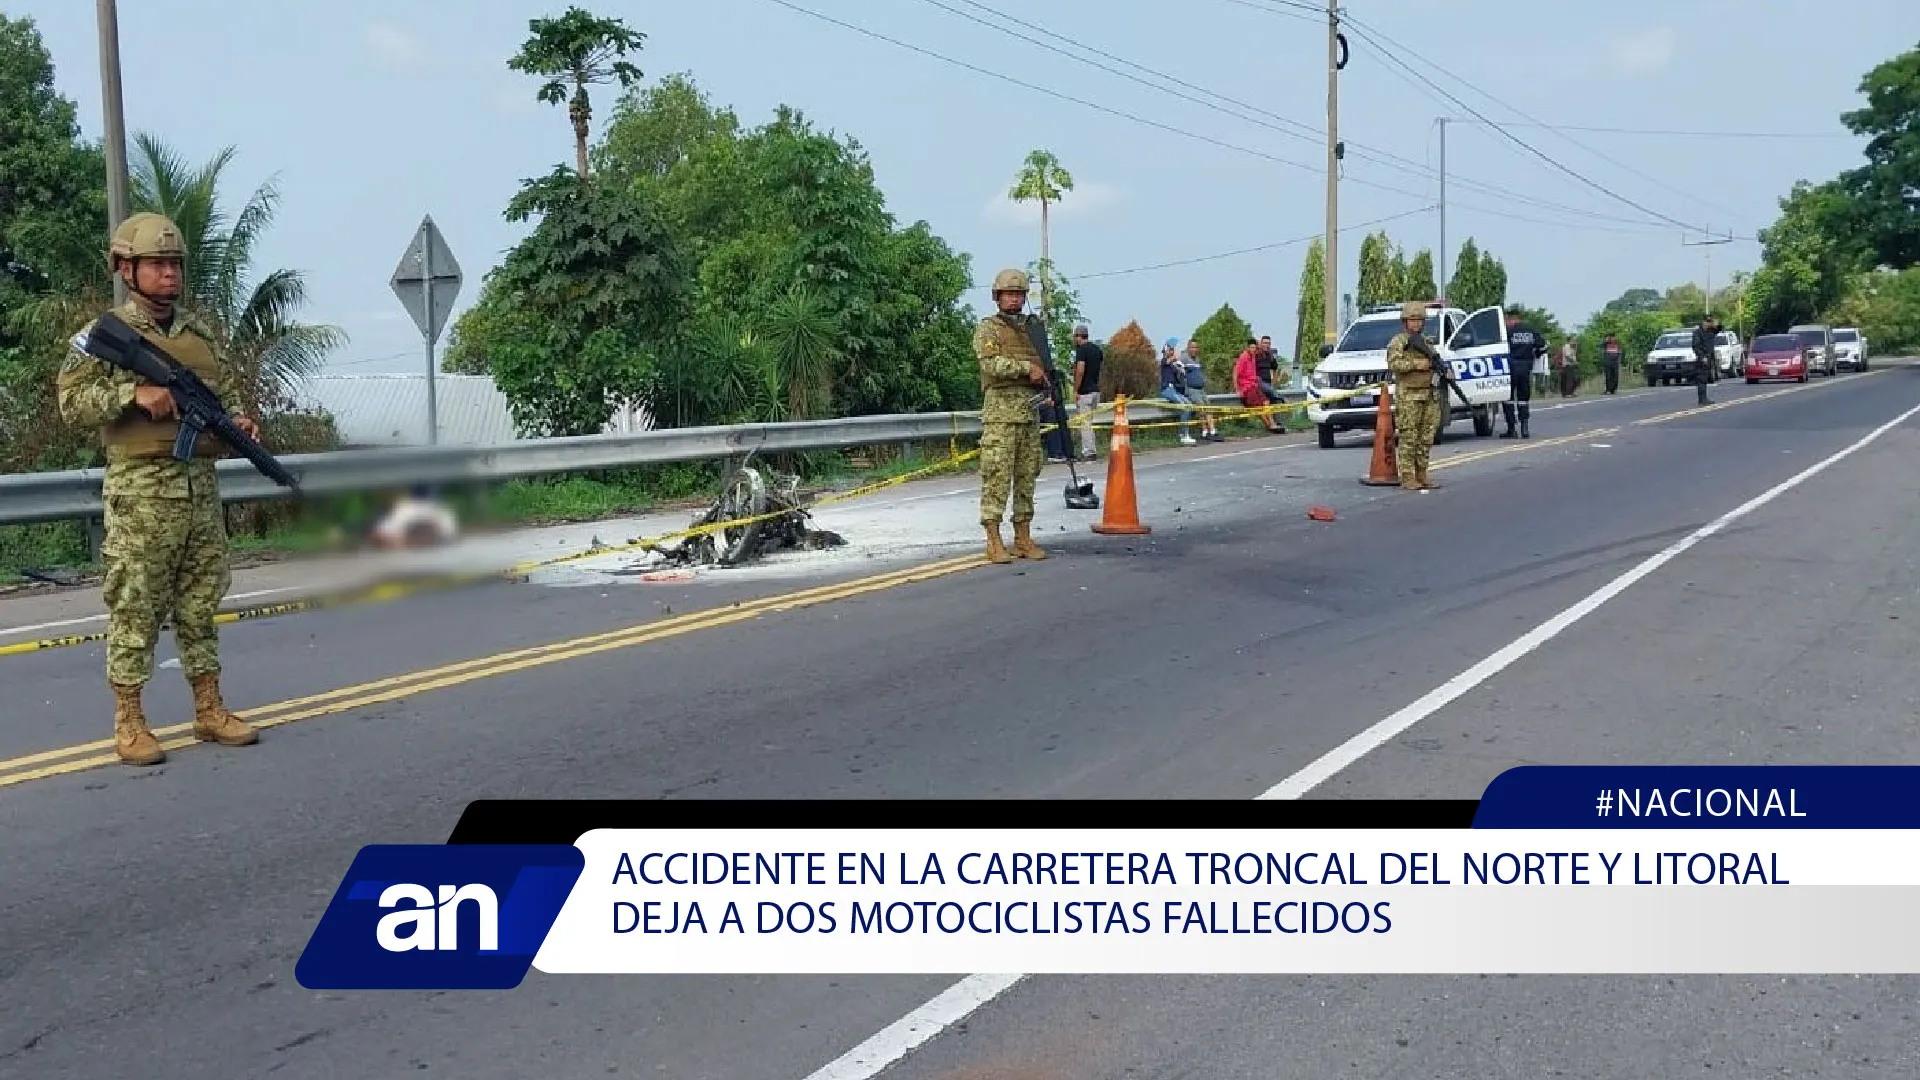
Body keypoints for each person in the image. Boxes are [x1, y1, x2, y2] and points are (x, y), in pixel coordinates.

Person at [56, 212, 261, 766]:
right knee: (136, 606)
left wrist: (240, 423)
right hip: (142, 494)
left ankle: (209, 708)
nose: (170, 274)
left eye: (176, 264)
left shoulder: (201, 334)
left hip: (199, 488)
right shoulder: (102, 336)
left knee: (201, 603)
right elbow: (71, 403)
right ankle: (130, 721)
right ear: (127, 269)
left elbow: (229, 396)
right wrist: (131, 393)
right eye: (158, 264)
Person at [972, 268, 1051, 564]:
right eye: (1009, 294)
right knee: (996, 476)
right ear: (997, 297)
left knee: (1027, 475)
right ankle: (993, 540)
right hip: (1001, 414)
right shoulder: (988, 328)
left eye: (1019, 294)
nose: (1015, 299)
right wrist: (1024, 369)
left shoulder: (1033, 330)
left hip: (1029, 411)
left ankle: (1023, 537)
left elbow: (1044, 364)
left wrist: (1047, 385)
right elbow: (990, 365)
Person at [1385, 301, 1441, 491]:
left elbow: (1435, 362)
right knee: (1409, 436)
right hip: (1409, 395)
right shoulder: (1398, 342)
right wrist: (1417, 364)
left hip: (1428, 394)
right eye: (1412, 320)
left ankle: (1422, 473)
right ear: (1405, 321)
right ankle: (1408, 476)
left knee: (1426, 437)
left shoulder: (1426, 342)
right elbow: (1394, 364)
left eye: (1419, 320)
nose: (1416, 324)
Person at [1501, 309, 1548, 439]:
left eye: (1507, 320)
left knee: (1508, 399)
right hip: (1526, 367)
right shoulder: (1530, 330)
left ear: (1511, 319)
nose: (1506, 323)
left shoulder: (1507, 332)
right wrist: (1536, 353)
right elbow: (1543, 346)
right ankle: (1524, 429)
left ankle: (1511, 429)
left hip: (1511, 367)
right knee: (1523, 399)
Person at [1070, 325, 1103, 462]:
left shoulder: (1081, 350)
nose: (1074, 339)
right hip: (1095, 390)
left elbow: (1080, 370)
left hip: (1085, 392)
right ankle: (1091, 449)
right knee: (1089, 422)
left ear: (1078, 336)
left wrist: (1076, 389)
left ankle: (1088, 452)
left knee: (1085, 423)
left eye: (1075, 336)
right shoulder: (1097, 349)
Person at [1181, 339, 1223, 442]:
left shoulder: (1197, 360)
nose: (1194, 349)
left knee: (1208, 407)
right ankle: (1204, 431)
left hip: (1201, 389)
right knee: (1201, 409)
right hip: (1192, 389)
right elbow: (1179, 372)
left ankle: (1213, 431)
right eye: (1192, 347)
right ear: (1188, 348)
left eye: (1196, 347)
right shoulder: (1184, 359)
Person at [1158, 342, 1197, 446]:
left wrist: (1181, 369)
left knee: (1189, 405)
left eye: (1172, 350)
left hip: (1174, 390)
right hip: (1166, 389)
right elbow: (1167, 361)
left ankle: (1183, 433)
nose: (1171, 351)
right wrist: (1174, 357)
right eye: (1170, 350)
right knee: (1185, 407)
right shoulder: (1164, 361)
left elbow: (1179, 373)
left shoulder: (1173, 364)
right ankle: (1184, 435)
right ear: (1166, 351)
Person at [1689, 315, 1717, 406]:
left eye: (1709, 322)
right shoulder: (1697, 333)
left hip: (1709, 358)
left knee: (1705, 379)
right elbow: (1696, 346)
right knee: (1701, 379)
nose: (1707, 323)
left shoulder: (1710, 332)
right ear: (1703, 322)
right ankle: (1702, 399)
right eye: (1706, 321)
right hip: (1702, 358)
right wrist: (1702, 357)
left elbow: (1720, 328)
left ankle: (1704, 398)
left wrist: (1714, 324)